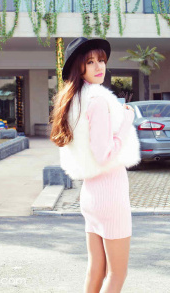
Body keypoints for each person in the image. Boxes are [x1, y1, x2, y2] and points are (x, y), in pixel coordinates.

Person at [50, 37, 141, 293]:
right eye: (90, 62)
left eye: (101, 60)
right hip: (110, 194)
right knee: (117, 274)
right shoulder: (98, 100)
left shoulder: (74, 100)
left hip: (91, 194)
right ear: (79, 67)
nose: (99, 66)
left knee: (96, 269)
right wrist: (126, 120)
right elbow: (104, 154)